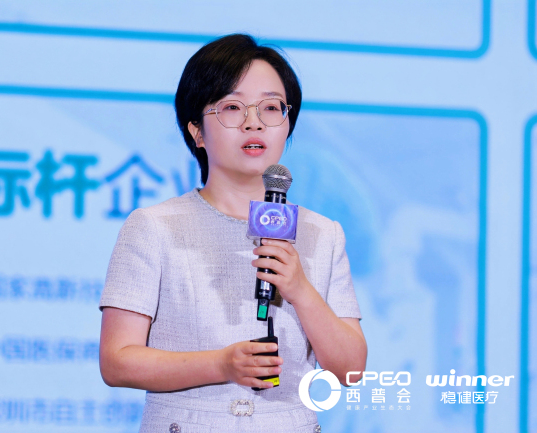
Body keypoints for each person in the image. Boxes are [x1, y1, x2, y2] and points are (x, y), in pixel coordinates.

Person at [99, 34, 367, 432]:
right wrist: (221, 364)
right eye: (232, 107)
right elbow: (117, 360)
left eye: (271, 107)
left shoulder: (322, 234)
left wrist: (300, 289)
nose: (253, 122)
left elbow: (351, 371)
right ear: (197, 131)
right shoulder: (154, 227)